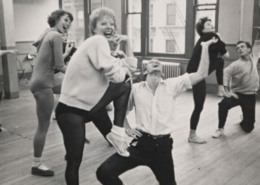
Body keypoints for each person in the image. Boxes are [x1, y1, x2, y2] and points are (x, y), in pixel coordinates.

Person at [96, 38, 218, 185]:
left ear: (162, 71)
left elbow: (201, 74)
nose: (155, 61)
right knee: (104, 172)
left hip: (163, 148)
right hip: (141, 145)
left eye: (158, 62)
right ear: (145, 70)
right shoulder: (135, 89)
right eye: (151, 61)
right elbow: (120, 110)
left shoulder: (172, 85)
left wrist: (205, 47)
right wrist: (127, 128)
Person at [55, 7, 137, 185]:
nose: (109, 26)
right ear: (94, 29)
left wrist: (127, 43)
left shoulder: (104, 50)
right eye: (103, 23)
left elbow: (132, 69)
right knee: (74, 162)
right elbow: (118, 76)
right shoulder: (97, 41)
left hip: (90, 108)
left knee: (124, 84)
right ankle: (117, 133)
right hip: (71, 112)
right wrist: (121, 67)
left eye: (111, 23)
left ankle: (117, 134)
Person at [30, 9, 73, 176]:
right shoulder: (55, 36)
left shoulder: (47, 33)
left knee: (71, 92)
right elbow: (60, 66)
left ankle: (72, 132)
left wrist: (67, 52)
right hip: (44, 84)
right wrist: (80, 73)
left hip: (41, 80)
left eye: (70, 21)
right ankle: (36, 164)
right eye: (66, 19)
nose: (68, 23)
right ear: (56, 19)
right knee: (43, 126)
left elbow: (53, 60)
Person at [186, 17, 229, 144]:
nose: (212, 26)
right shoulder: (211, 36)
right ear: (203, 29)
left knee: (220, 60)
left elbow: (219, 53)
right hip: (196, 74)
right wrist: (219, 38)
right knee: (199, 106)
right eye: (209, 25)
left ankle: (221, 87)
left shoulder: (205, 38)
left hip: (196, 72)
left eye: (212, 24)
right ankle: (192, 135)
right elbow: (226, 54)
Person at [212, 27, 260, 138]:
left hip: (250, 96)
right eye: (237, 48)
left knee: (248, 128)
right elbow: (224, 73)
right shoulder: (235, 65)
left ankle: (244, 118)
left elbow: (257, 44)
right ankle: (220, 129)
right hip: (237, 95)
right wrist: (227, 91)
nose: (239, 49)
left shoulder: (254, 58)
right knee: (223, 105)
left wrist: (258, 32)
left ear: (249, 49)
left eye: (242, 47)